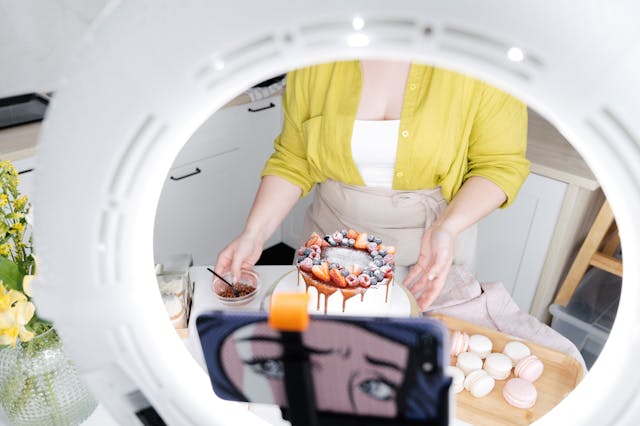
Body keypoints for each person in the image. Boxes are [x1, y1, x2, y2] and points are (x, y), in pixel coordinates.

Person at [214, 60, 529, 310]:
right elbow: (294, 159)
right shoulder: (316, 56)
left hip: (428, 255)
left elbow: (499, 166)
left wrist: (448, 227)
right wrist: (254, 234)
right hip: (328, 251)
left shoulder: (482, 64)